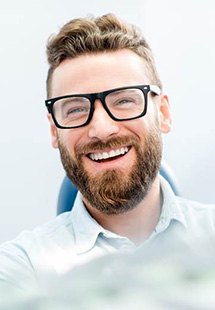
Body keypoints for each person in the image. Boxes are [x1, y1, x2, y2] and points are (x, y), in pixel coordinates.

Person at [0, 13, 215, 295]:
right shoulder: (21, 269)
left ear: (162, 113)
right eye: (75, 109)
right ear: (54, 131)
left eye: (124, 100)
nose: (101, 129)